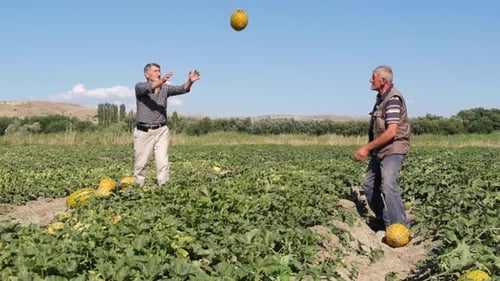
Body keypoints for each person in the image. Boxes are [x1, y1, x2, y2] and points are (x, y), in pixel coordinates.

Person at [353, 65, 410, 230]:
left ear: (383, 80)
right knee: (369, 185)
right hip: (381, 149)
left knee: (387, 184)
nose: (370, 80)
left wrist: (366, 148)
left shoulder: (392, 98)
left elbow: (392, 131)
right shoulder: (381, 97)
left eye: (373, 77)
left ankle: (400, 227)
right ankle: (385, 220)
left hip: (393, 148)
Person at [133, 63, 200, 187]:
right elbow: (151, 86)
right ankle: (138, 189)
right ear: (147, 74)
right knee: (141, 165)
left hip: (161, 130)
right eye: (155, 71)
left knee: (163, 162)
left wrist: (190, 81)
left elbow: (183, 89)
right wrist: (163, 80)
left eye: (159, 71)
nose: (158, 73)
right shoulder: (140, 87)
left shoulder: (165, 89)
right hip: (144, 132)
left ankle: (164, 189)